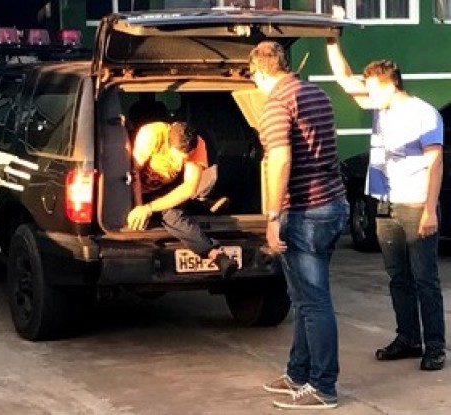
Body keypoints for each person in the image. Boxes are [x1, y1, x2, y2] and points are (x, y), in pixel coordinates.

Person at [326, 37, 446, 371]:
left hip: (415, 205)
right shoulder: (382, 107)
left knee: (425, 279)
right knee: (398, 278)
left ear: (391, 85)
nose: (367, 95)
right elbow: (344, 79)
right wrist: (332, 39)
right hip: (385, 205)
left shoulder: (424, 114)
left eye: (372, 89)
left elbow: (435, 163)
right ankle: (408, 338)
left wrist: (429, 210)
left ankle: (435, 346)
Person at [250, 41, 348, 410]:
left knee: (314, 301)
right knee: (304, 299)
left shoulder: (276, 103)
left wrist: (273, 216)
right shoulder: (316, 93)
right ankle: (298, 372)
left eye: (253, 77)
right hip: (333, 203)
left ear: (260, 71)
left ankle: (323, 387)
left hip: (305, 212)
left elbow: (281, 160)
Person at [126, 120, 238, 277]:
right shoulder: (152, 135)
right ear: (168, 143)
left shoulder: (197, 144)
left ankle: (215, 255)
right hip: (133, 188)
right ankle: (202, 206)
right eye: (176, 157)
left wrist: (149, 208)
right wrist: (139, 207)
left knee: (173, 216)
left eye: (185, 158)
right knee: (170, 214)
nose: (179, 163)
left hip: (165, 190)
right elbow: (133, 172)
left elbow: (188, 188)